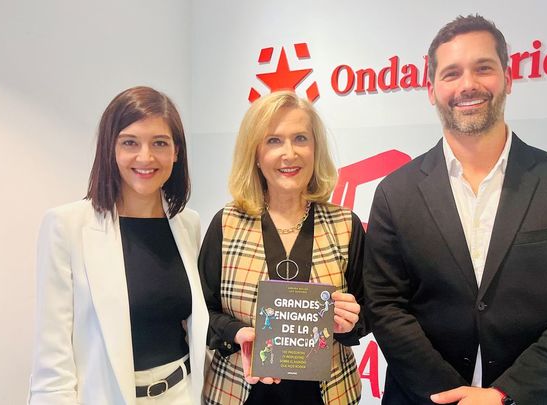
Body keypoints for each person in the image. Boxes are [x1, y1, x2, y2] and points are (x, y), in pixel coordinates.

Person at [363, 15, 547, 405]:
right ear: (431, 90)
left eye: (483, 68)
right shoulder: (395, 193)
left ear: (508, 78)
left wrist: (505, 395)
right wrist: (451, 396)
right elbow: (385, 305)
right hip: (424, 398)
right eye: (451, 73)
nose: (468, 85)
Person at [28, 86, 208, 404]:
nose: (145, 157)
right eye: (130, 142)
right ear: (110, 148)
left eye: (160, 143)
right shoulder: (66, 226)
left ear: (176, 151)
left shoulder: (188, 224)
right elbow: (52, 357)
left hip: (181, 393)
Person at [199, 91, 366, 405]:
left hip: (328, 394)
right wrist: (236, 332)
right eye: (274, 141)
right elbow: (200, 310)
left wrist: (349, 321)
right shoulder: (226, 223)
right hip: (238, 392)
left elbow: (369, 311)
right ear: (255, 154)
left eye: (301, 138)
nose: (289, 153)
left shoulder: (345, 225)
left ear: (315, 149)